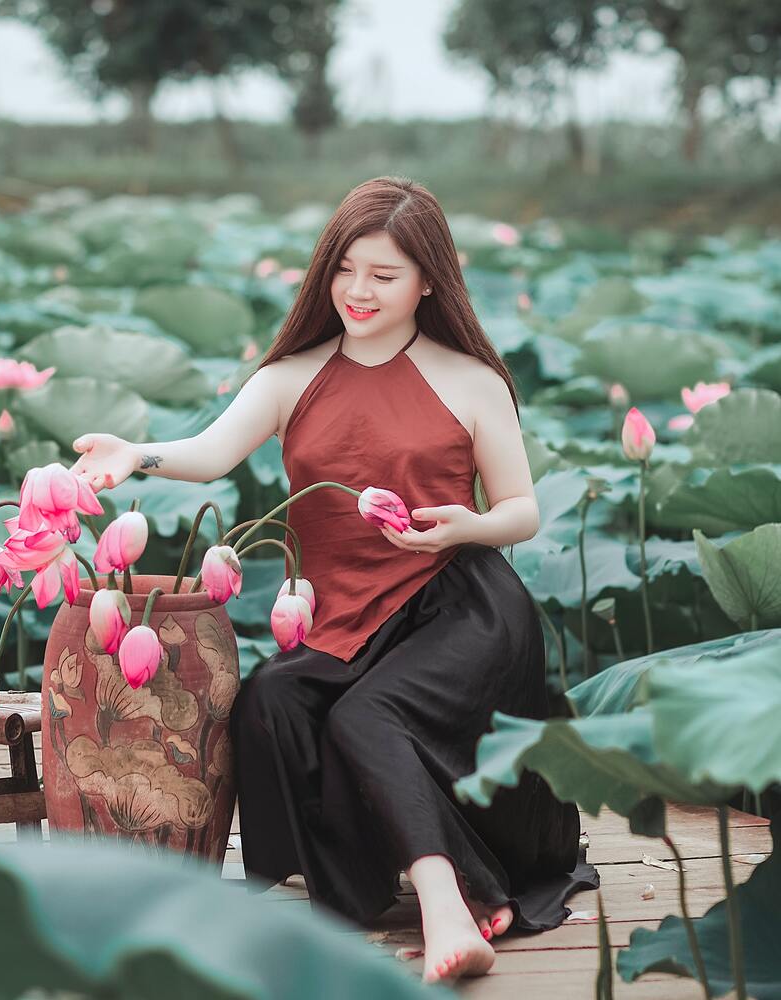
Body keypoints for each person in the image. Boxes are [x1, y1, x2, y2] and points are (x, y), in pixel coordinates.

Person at [70, 175, 600, 985]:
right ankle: (379, 886)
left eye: (384, 276)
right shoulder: (294, 376)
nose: (358, 291)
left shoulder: (471, 379)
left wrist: (466, 526)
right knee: (272, 705)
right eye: (345, 269)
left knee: (366, 716)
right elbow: (211, 451)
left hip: (460, 605)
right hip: (341, 618)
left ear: (430, 278)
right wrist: (135, 455)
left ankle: (447, 904)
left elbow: (522, 510)